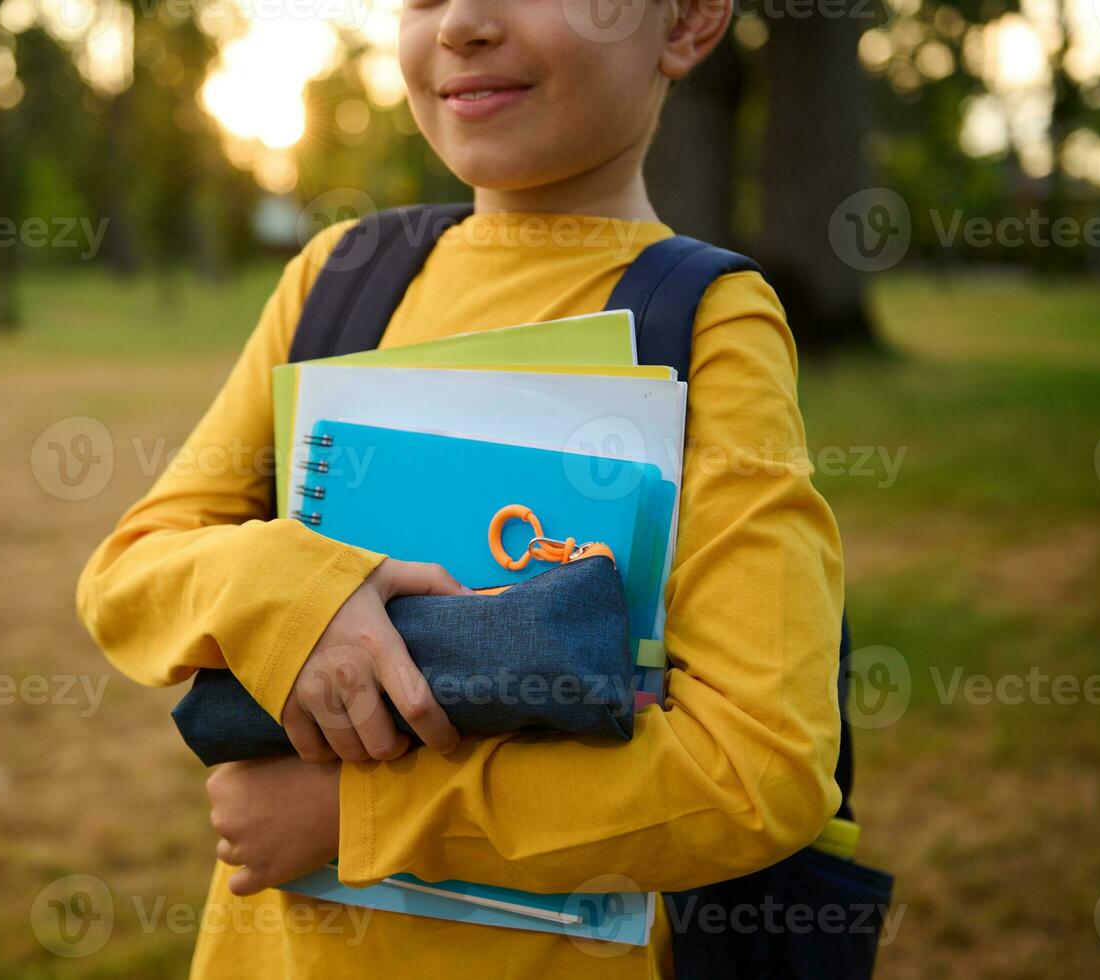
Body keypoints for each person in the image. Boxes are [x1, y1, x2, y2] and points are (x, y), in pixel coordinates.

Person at [76, 0, 844, 973]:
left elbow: (762, 769)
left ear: (687, 23)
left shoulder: (707, 326)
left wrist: (358, 810)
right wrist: (284, 583)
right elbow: (128, 573)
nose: (463, 24)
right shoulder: (338, 274)